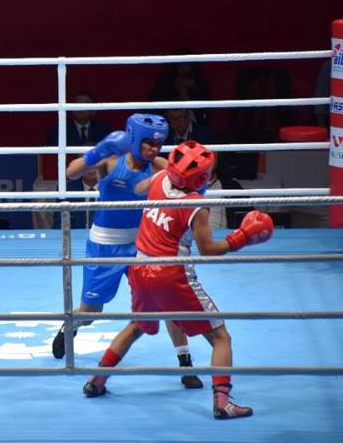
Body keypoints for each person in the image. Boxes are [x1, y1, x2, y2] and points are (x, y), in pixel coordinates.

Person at [82, 141, 273, 420]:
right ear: (203, 177)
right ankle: (223, 402)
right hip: (172, 274)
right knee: (220, 337)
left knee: (136, 326)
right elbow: (208, 250)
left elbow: (138, 189)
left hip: (140, 267)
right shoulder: (196, 205)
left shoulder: (159, 178)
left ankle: (96, 380)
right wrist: (241, 238)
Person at [51, 114, 203, 389]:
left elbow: (192, 185)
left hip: (144, 244)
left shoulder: (160, 166)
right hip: (104, 244)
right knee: (91, 311)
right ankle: (70, 325)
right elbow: (70, 173)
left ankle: (185, 363)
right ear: (134, 138)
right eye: (148, 144)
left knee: (167, 301)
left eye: (158, 145)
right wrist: (97, 151)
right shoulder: (111, 159)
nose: (154, 150)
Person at [46, 90, 111, 147]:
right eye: (77, 103)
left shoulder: (102, 128)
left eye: (85, 104)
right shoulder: (60, 129)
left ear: (94, 109)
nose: (80, 108)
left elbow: (106, 148)